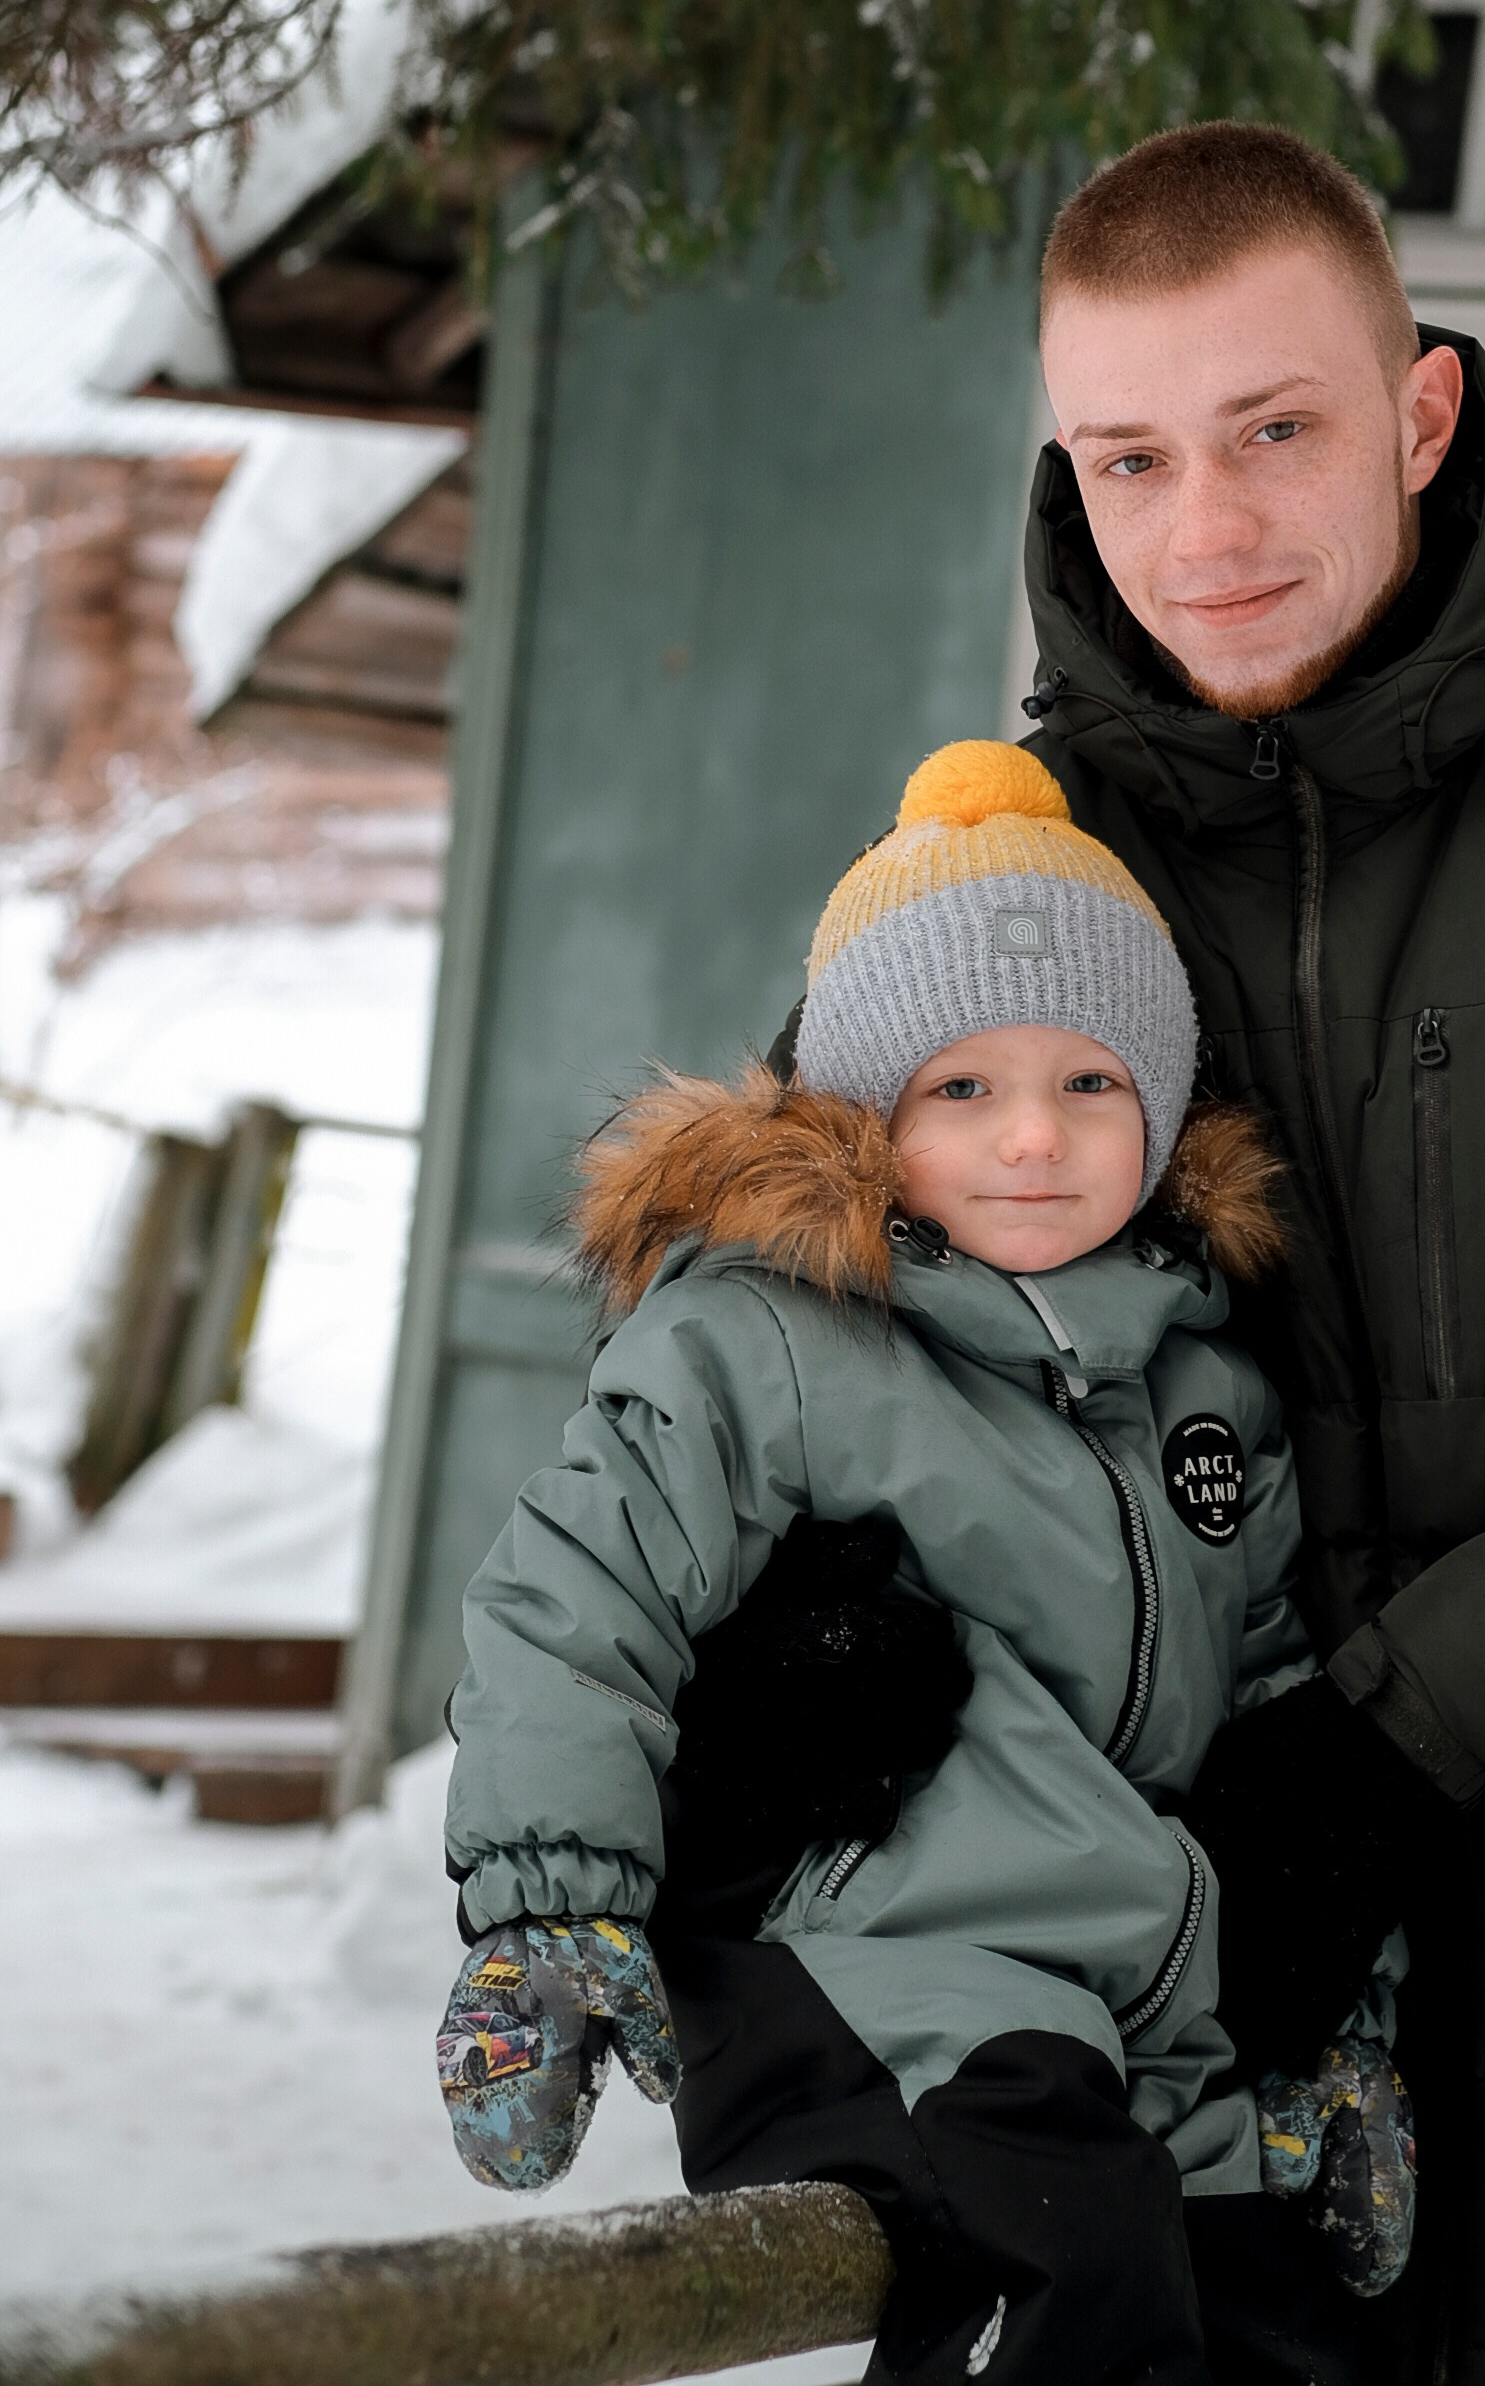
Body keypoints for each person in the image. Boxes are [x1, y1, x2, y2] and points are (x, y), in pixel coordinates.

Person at [697, 122, 1485, 2386]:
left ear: (1419, 411)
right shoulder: (997, 914)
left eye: (1272, 432)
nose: (1196, 534)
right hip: (1182, 2158)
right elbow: (783, 1361)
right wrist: (807, 1619)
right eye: (1124, 458)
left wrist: (1384, 1754)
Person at [437, 738, 1419, 2386]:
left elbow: (1278, 1708)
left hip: (1142, 1992)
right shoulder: (761, 1344)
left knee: (1267, 2316)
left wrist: (1334, 2031)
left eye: (1091, 1082)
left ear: (1162, 1101)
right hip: (873, 1969)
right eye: (961, 1087)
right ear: (864, 1109)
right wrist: (551, 1909)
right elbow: (575, 1599)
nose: (1033, 1137)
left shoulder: (1204, 1382)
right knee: (1073, 2274)